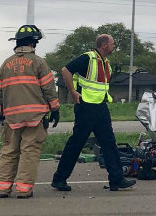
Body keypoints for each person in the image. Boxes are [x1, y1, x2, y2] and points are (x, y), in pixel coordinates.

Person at [51, 34, 135, 192]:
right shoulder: (88, 58)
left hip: (100, 107)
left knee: (109, 142)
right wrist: (73, 92)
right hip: (86, 107)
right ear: (104, 45)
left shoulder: (106, 63)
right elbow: (65, 70)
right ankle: (59, 179)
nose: (114, 46)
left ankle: (116, 179)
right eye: (112, 43)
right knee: (76, 143)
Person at [0, 25, 60, 199]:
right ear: (32, 43)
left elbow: (0, 92)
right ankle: (23, 190)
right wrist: (55, 109)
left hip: (11, 118)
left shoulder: (5, 64)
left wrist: (0, 113)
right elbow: (49, 88)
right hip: (34, 117)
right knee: (29, 152)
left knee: (9, 151)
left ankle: (2, 188)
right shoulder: (38, 62)